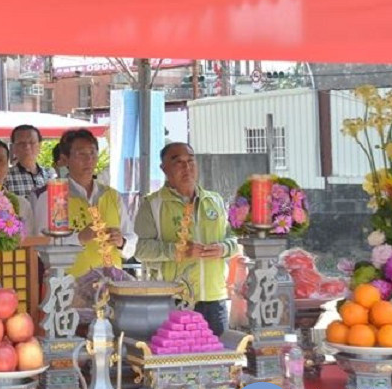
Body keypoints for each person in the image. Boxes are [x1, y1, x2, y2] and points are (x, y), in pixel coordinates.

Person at [134, 142, 238, 336]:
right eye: (178, 162)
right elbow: (139, 249)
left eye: (190, 161)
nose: (186, 167)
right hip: (173, 299)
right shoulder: (152, 204)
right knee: (178, 354)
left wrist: (223, 249)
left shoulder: (214, 200)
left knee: (218, 353)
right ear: (164, 168)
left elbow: (235, 240)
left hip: (214, 298)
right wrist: (177, 251)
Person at [32, 130, 126, 277]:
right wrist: (79, 238)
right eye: (81, 154)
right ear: (65, 159)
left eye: (92, 153)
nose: (88, 159)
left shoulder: (113, 196)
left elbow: (132, 238)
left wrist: (122, 241)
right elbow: (41, 243)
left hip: (112, 282)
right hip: (69, 284)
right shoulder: (53, 196)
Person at [5, 125, 56, 202]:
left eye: (32, 142)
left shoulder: (51, 174)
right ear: (14, 147)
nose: (27, 147)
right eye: (21, 143)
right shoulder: (6, 177)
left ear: (39, 145)